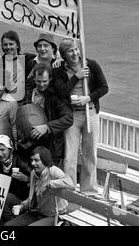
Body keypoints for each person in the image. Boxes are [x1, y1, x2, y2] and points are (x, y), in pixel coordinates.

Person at [53, 38, 109, 196]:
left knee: (90, 152)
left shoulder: (91, 65)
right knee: (70, 154)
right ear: (63, 55)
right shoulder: (59, 70)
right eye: (70, 51)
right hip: (72, 116)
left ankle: (89, 190)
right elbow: (62, 92)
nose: (75, 53)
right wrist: (76, 76)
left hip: (90, 113)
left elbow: (104, 88)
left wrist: (88, 98)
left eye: (76, 49)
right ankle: (69, 189)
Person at [4, 146, 74, 226]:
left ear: (45, 160)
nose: (32, 163)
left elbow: (70, 183)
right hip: (37, 212)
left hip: (54, 215)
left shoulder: (53, 170)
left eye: (36, 160)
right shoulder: (33, 173)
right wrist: (22, 206)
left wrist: (49, 184)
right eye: (32, 160)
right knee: (8, 225)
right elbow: (31, 197)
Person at [22, 63, 73, 166]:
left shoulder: (57, 95)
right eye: (38, 81)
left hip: (50, 146)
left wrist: (47, 127)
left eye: (44, 81)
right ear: (34, 78)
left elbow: (68, 119)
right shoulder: (28, 91)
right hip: (29, 145)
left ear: (50, 78)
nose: (41, 85)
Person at [0, 134, 30, 224]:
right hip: (3, 198)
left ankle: (13, 222)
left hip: (21, 200)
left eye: (2, 150)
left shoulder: (21, 162)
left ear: (10, 149)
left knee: (3, 198)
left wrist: (27, 179)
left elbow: (38, 182)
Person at [0, 28, 36, 104]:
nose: (8, 47)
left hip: (23, 103)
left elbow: (42, 60)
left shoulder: (27, 59)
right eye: (5, 45)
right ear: (1, 46)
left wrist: (57, 59)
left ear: (17, 45)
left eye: (11, 44)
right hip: (4, 103)